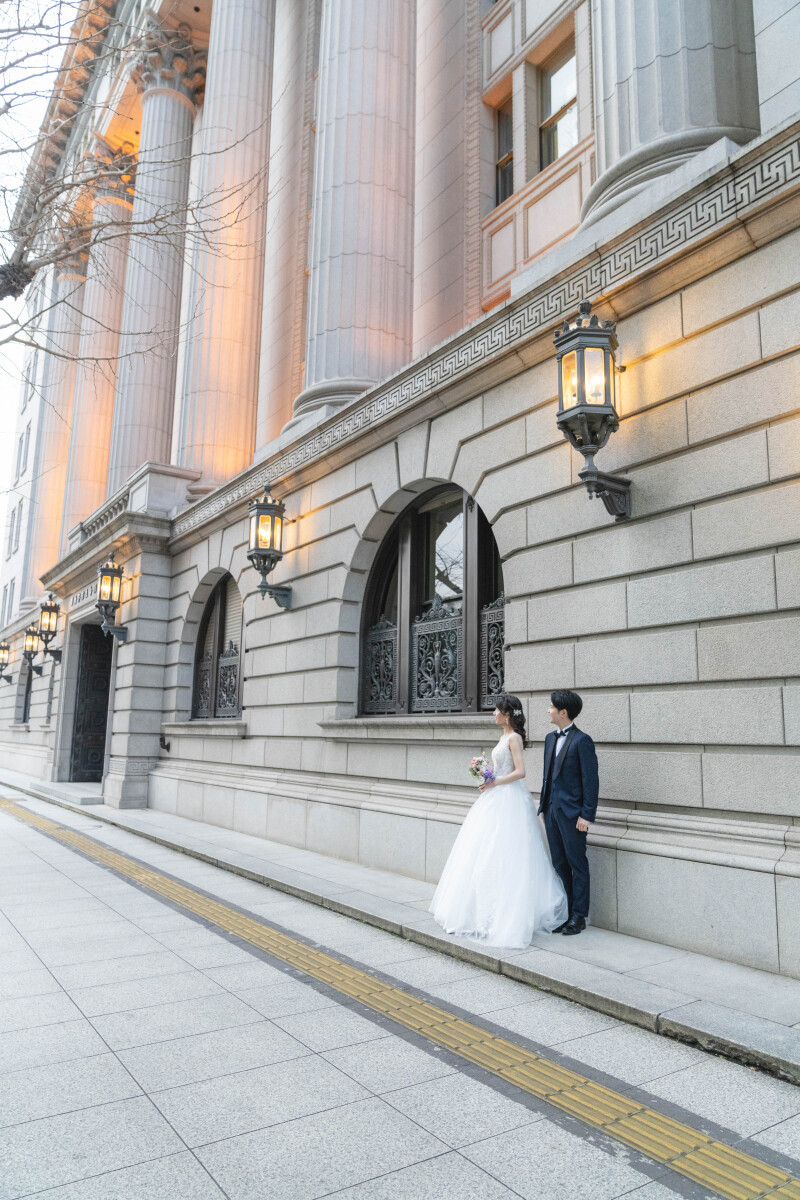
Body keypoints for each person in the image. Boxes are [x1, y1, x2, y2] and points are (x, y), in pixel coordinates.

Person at [429, 693, 568, 949]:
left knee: (508, 854)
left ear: (506, 714)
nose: (493, 714)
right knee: (484, 852)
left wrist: (495, 781)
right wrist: (485, 774)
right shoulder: (502, 736)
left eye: (496, 710)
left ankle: (508, 914)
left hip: (510, 800)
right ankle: (480, 912)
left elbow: (520, 772)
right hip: (495, 798)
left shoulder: (513, 737)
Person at [538, 689, 599, 936]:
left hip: (573, 814)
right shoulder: (549, 738)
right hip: (551, 811)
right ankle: (566, 911)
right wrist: (543, 806)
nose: (548, 710)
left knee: (577, 864)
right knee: (559, 863)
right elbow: (547, 776)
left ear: (563, 712)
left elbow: (590, 781)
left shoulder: (582, 740)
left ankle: (579, 915)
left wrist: (586, 815)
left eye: (551, 707)